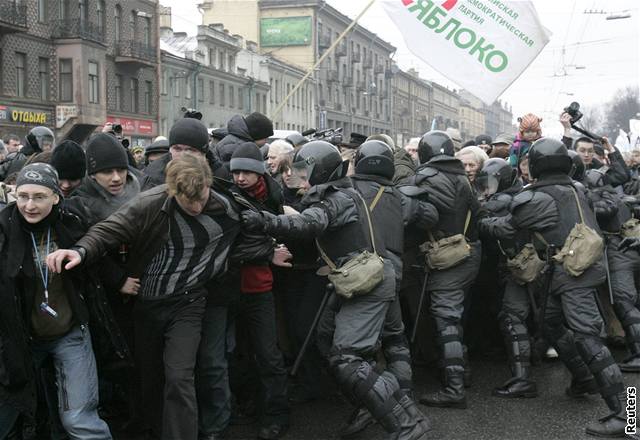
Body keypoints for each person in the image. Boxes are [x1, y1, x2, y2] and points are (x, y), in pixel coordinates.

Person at [46, 155, 285, 440]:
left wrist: (270, 250)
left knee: (180, 376)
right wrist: (80, 251)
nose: (197, 207)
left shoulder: (229, 207)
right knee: (151, 378)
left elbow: (264, 228)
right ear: (172, 191)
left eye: (202, 197)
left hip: (189, 302)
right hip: (148, 303)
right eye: (188, 201)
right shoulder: (152, 203)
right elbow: (109, 230)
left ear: (209, 184)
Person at [242, 140, 432, 440]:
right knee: (329, 338)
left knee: (347, 359)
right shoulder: (345, 191)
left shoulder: (338, 198)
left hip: (366, 284)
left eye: (304, 171)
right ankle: (397, 408)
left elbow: (308, 224)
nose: (299, 178)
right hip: (367, 278)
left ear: (320, 171)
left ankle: (406, 425)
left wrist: (263, 220)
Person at [485, 137, 627, 437]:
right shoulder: (575, 187)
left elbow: (507, 229)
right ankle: (583, 377)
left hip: (571, 272)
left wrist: (482, 220)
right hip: (577, 268)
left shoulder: (536, 197)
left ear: (535, 164)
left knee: (589, 339)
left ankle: (627, 413)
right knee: (549, 321)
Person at [0, 163, 112, 439]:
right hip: (22, 337)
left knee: (78, 420)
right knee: (14, 415)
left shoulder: (73, 222)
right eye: (23, 196)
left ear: (56, 196)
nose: (29, 205)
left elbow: (100, 249)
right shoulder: (3, 229)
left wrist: (119, 279)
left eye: (39, 197)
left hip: (69, 333)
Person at [402, 131, 484, 410]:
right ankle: (462, 371)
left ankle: (454, 388)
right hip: (469, 252)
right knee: (455, 317)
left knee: (446, 320)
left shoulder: (425, 178)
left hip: (446, 257)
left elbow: (420, 215)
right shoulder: (462, 177)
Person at [476, 158, 539, 398]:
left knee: (513, 317)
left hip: (518, 265)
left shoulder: (502, 201)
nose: (487, 188)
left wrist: (480, 217)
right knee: (534, 317)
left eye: (491, 183)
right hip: (527, 264)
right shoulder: (524, 194)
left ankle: (523, 378)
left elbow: (497, 226)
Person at [583, 169, 640, 372]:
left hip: (619, 253)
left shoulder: (605, 197)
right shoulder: (621, 196)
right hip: (629, 250)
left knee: (624, 303)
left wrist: (584, 200)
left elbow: (606, 210)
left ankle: (638, 354)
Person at [142, 118, 211, 189]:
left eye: (191, 150)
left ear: (204, 154)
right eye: (177, 149)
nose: (183, 155)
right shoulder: (152, 179)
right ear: (170, 150)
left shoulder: (219, 174)